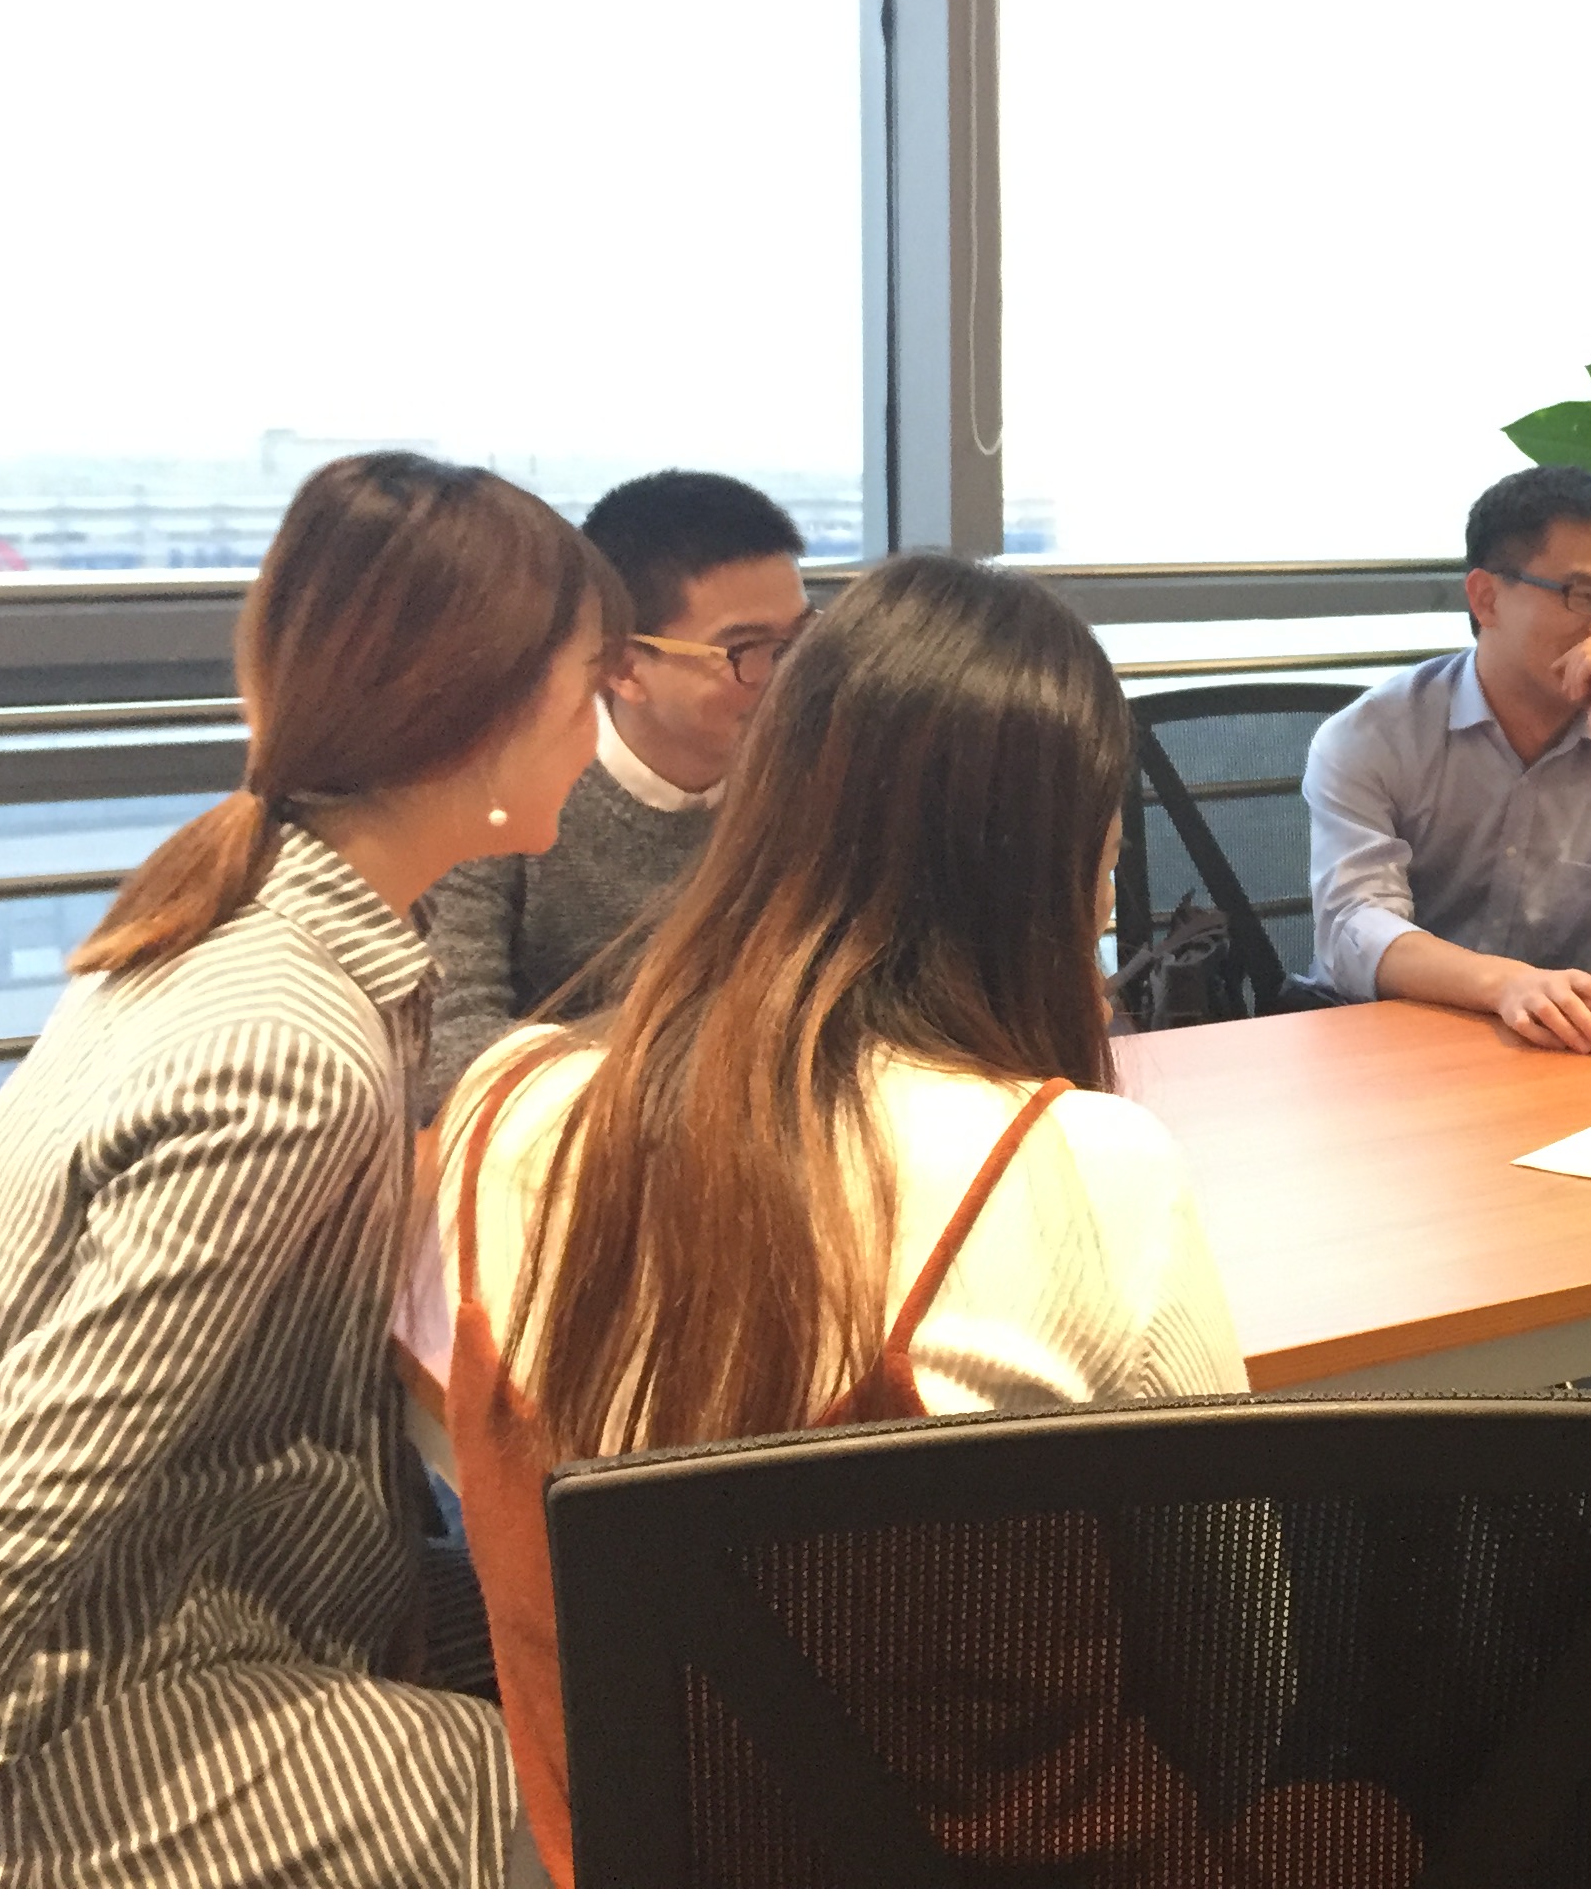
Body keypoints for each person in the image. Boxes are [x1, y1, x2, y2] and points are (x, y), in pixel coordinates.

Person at [399, 554, 1256, 1888]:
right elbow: (1240, 1663)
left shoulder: (500, 1106)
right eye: (1104, 854)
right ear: (1057, 869)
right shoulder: (1083, 1166)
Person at [0, 452, 620, 1889]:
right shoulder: (287, 1048)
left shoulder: (247, 918)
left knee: (616, 1656)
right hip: (56, 1710)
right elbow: (3, 1526)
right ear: (483, 714)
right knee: (626, 1789)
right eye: (588, 688)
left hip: (207, 1588)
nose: (597, 736)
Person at [1302, 465, 1591, 1049]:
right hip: (1380, 1040)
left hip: (1556, 1044)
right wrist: (1504, 985)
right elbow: (1353, 928)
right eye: (1584, 596)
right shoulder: (1374, 735)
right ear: (1486, 598)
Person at [417, 468, 807, 1119]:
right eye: (746, 650)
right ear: (624, 667)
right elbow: (446, 1046)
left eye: (798, 640)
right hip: (560, 1147)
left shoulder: (813, 774)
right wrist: (690, 1081)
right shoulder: (507, 790)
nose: (787, 676)